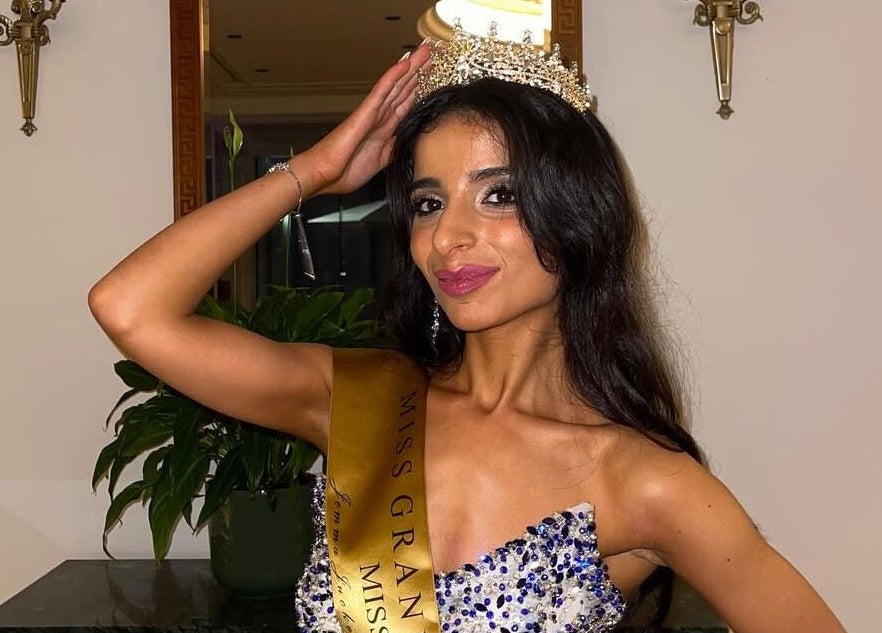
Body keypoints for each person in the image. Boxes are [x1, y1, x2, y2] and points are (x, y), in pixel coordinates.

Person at [90, 27, 845, 633]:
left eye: (499, 195)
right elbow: (129, 306)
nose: (448, 236)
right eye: (426, 202)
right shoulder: (354, 399)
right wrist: (314, 170)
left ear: (577, 213)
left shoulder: (643, 480)